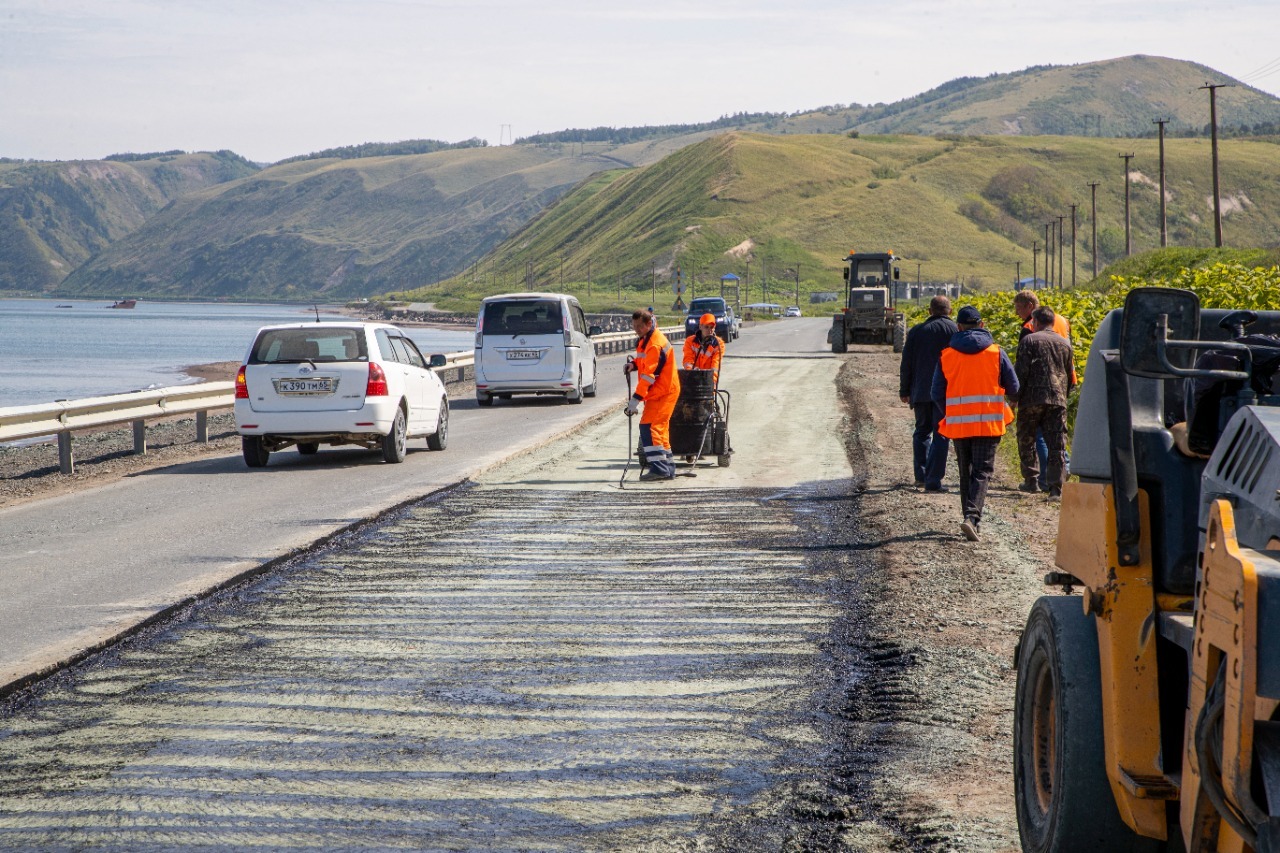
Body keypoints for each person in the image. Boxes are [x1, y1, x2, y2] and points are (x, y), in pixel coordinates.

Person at [932, 305, 1019, 541]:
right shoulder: (996, 353)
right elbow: (1014, 388)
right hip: (988, 424)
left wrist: (951, 412)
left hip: (959, 425)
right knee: (982, 471)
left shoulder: (947, 355)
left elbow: (936, 392)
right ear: (981, 325)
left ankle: (969, 518)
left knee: (965, 472)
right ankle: (971, 518)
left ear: (958, 327)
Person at [1013, 289, 1074, 489]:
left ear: (1036, 322)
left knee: (1027, 439)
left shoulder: (1029, 340)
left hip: (1032, 398)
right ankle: (1056, 487)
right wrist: (1064, 397)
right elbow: (1068, 373)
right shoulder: (1065, 344)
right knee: (1057, 443)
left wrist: (1014, 396)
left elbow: (1021, 372)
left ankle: (1031, 481)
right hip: (1057, 399)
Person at [899, 295, 959, 492]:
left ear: (929, 311)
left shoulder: (917, 331)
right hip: (947, 392)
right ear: (949, 311)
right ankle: (934, 478)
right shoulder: (956, 331)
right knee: (942, 433)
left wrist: (905, 389)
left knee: (922, 431)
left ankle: (921, 476)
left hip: (922, 390)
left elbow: (906, 362)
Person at [624, 308, 681, 481]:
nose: (636, 329)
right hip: (660, 392)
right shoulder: (646, 340)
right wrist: (634, 364)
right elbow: (646, 362)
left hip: (664, 392)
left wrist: (635, 400)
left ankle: (660, 468)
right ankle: (668, 467)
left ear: (649, 324)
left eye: (640, 326)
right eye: (634, 326)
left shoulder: (655, 344)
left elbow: (649, 376)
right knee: (659, 429)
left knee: (651, 428)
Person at [682, 312, 724, 384]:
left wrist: (711, 382)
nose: (709, 330)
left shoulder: (719, 344)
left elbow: (715, 365)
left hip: (709, 382)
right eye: (706, 327)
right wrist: (693, 375)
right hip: (693, 381)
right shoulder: (690, 341)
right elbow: (688, 361)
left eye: (711, 327)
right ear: (700, 327)